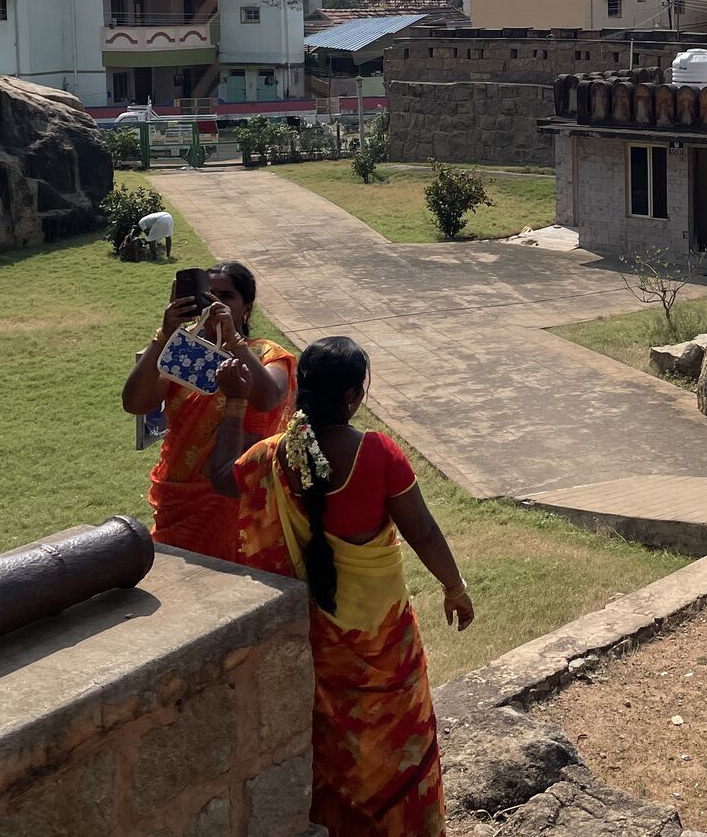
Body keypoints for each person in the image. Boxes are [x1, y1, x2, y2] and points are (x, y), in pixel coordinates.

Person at [224, 336, 471, 837]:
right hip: (386, 641)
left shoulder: (273, 458)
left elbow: (219, 477)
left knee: (334, 741)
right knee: (402, 740)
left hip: (319, 641)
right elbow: (421, 529)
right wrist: (455, 587)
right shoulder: (377, 453)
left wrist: (232, 404)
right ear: (355, 396)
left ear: (301, 390)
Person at [121, 260, 295, 562]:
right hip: (180, 497)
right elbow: (135, 403)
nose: (214, 303)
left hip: (236, 500)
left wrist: (233, 340)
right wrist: (164, 334)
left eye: (226, 297)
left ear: (246, 308)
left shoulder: (265, 353)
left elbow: (268, 397)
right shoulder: (188, 350)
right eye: (208, 294)